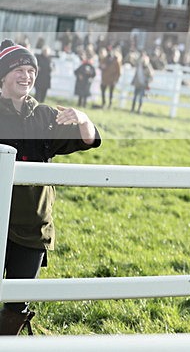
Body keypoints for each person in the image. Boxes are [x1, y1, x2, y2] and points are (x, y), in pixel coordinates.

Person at [0, 39, 101, 335]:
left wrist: (82, 118)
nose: (26, 75)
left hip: (33, 225)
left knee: (16, 306)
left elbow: (89, 139)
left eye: (31, 70)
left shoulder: (44, 116)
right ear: (3, 75)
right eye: (18, 69)